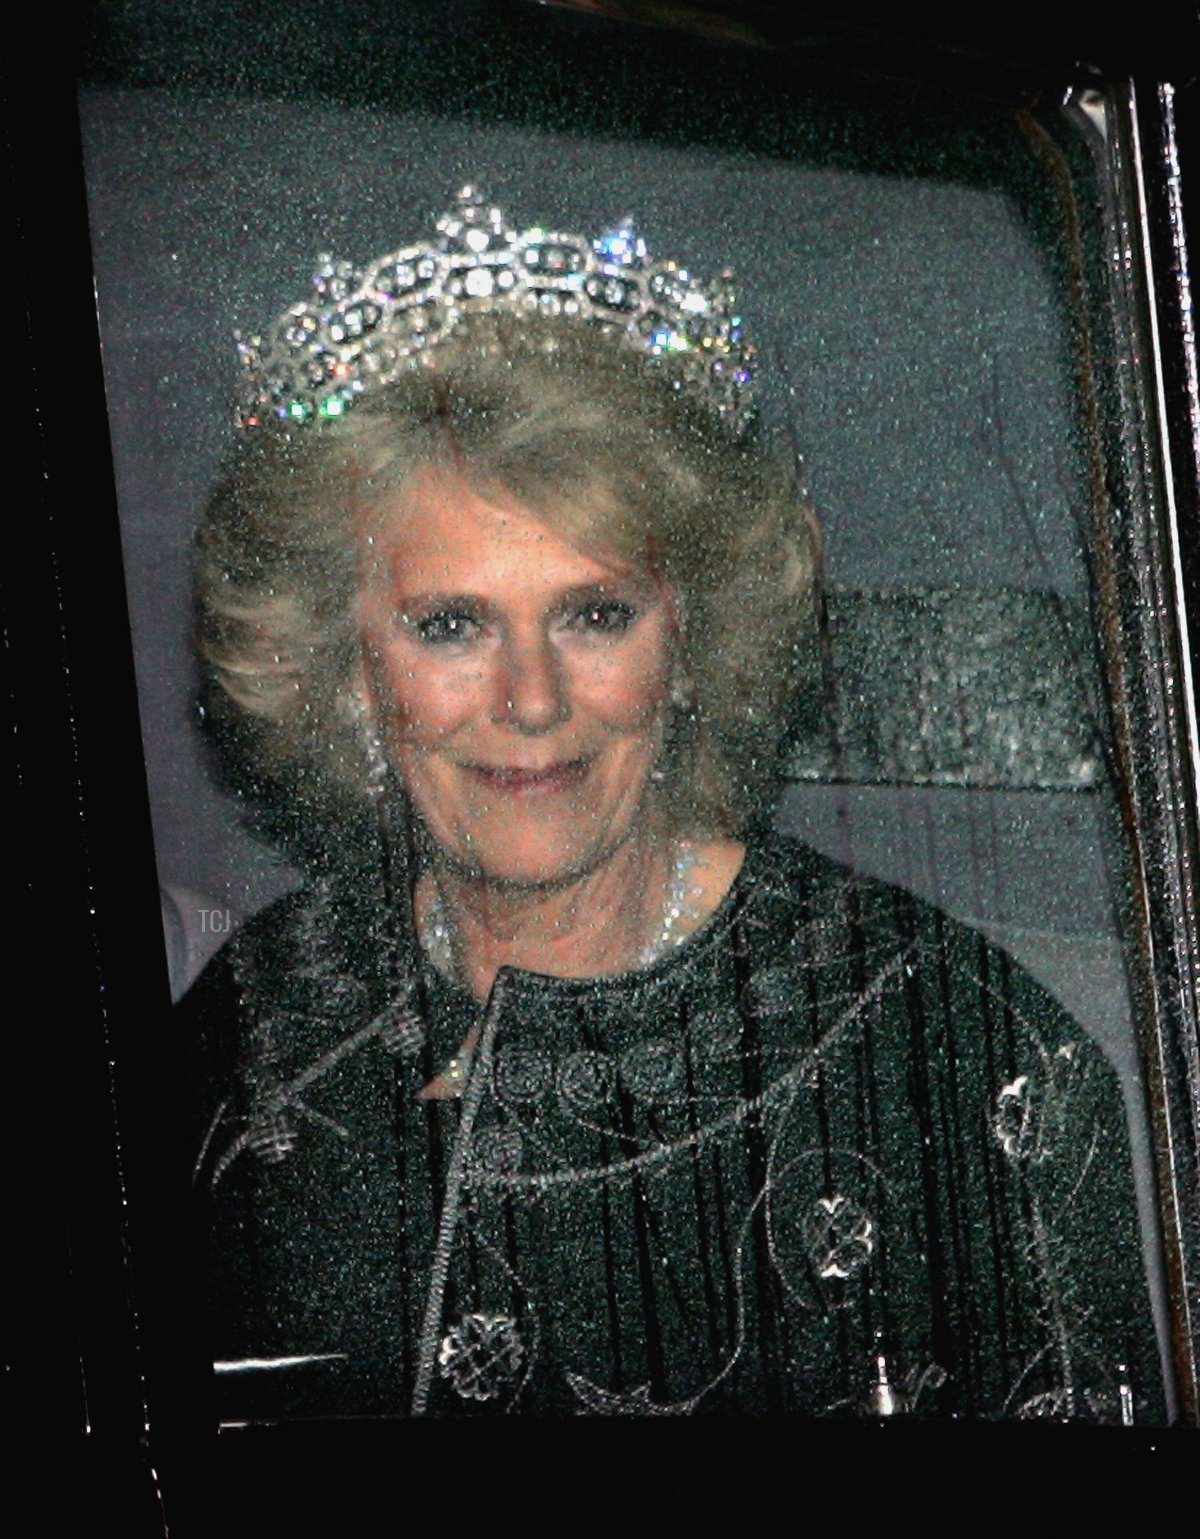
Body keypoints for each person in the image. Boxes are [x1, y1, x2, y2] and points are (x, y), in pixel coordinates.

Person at [179, 188, 1159, 1420]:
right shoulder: (251, 1023)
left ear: (689, 639)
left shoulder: (955, 1051)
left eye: (596, 615)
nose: (531, 701)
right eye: (449, 625)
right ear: (348, 670)